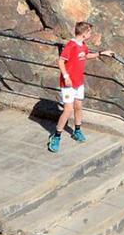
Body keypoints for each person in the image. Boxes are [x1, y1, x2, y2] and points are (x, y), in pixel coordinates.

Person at [48, 21, 112, 153]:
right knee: (68, 110)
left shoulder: (82, 45)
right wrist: (66, 77)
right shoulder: (71, 45)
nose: (91, 34)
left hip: (79, 83)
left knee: (78, 107)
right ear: (84, 33)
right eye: (89, 32)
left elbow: (86, 55)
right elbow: (60, 61)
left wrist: (100, 53)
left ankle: (77, 130)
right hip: (68, 84)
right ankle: (56, 135)